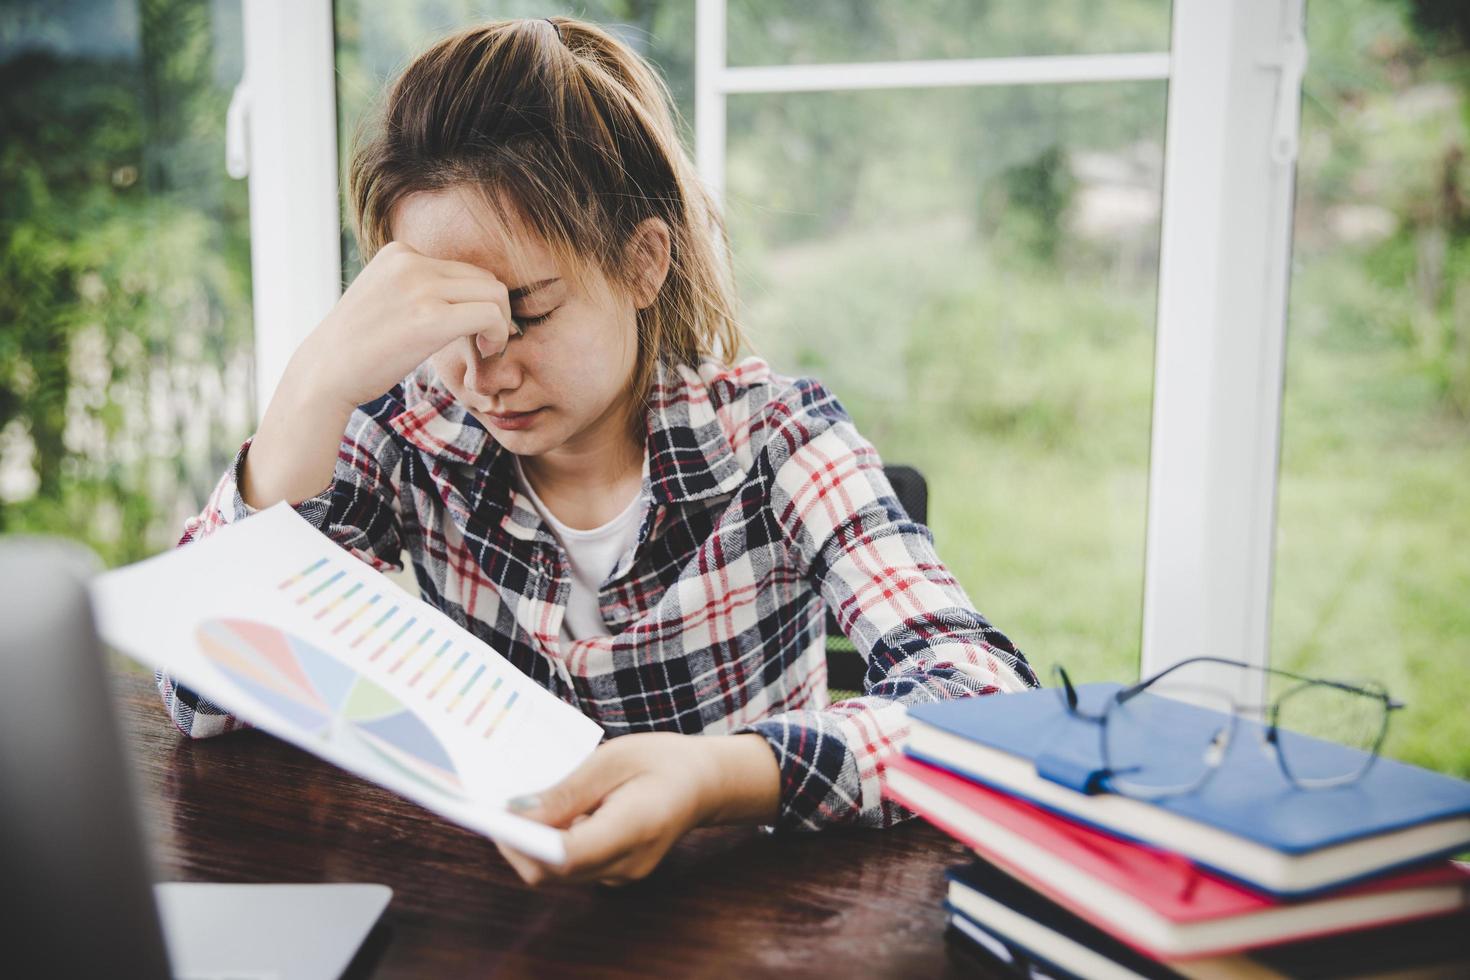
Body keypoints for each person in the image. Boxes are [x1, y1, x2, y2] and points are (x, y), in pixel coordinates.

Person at [159, 15, 1037, 886]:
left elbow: (987, 704)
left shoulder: (778, 439)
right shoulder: (407, 434)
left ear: (643, 263)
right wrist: (309, 391)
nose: (481, 371)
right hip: (504, 921)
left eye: (526, 312)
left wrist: (721, 776)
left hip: (747, 914)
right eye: (443, 318)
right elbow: (199, 702)